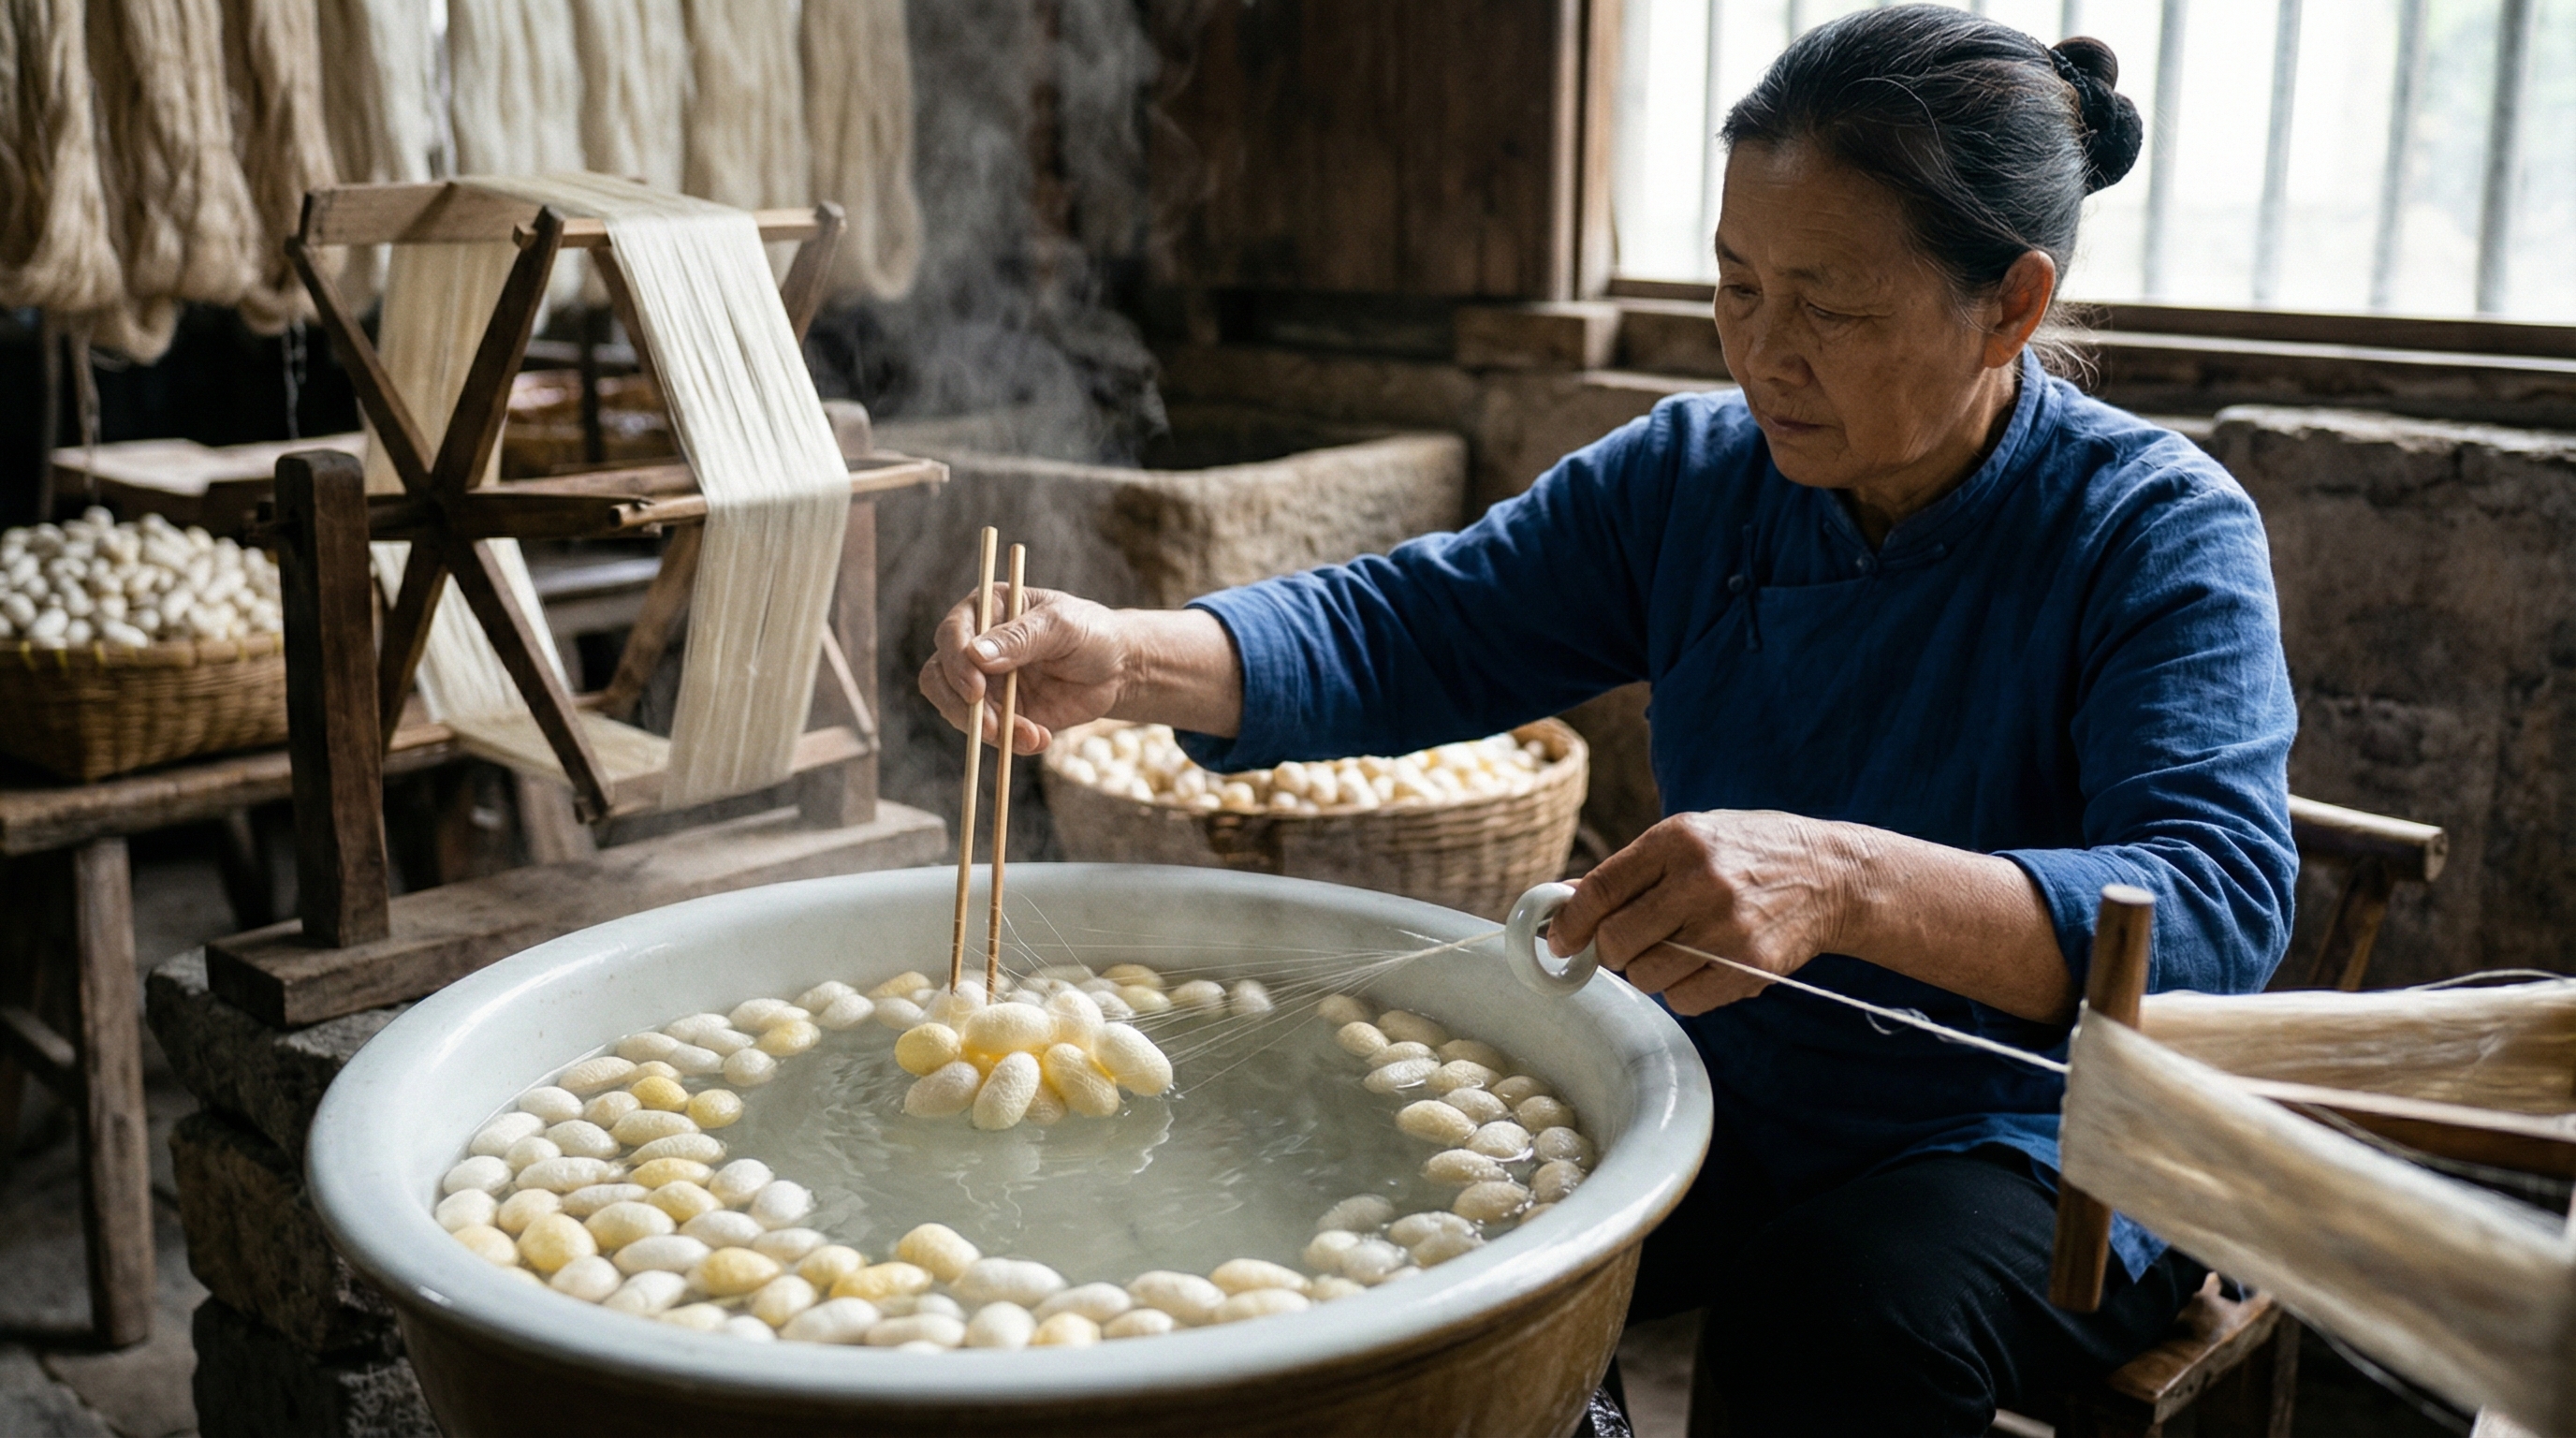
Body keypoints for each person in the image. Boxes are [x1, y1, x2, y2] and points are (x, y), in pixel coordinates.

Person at [921, 7, 2295, 1432]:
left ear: (2010, 304)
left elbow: (2216, 905)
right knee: (1434, 1246)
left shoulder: (2152, 527)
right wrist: (1126, 659)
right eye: (1736, 282)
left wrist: (1843, 883)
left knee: (1827, 1317)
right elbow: (1420, 623)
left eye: (1829, 306)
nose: (1764, 353)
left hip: (2039, 1136)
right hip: (1741, 1085)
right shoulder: (1697, 479)